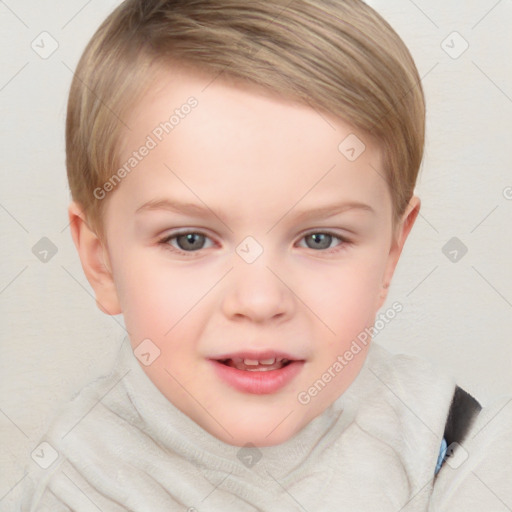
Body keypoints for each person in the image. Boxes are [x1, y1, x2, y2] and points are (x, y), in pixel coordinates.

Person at [20, 0, 512, 510]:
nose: (259, 300)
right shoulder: (72, 484)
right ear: (102, 263)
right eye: (190, 240)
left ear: (390, 253)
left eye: (319, 239)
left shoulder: (460, 447)